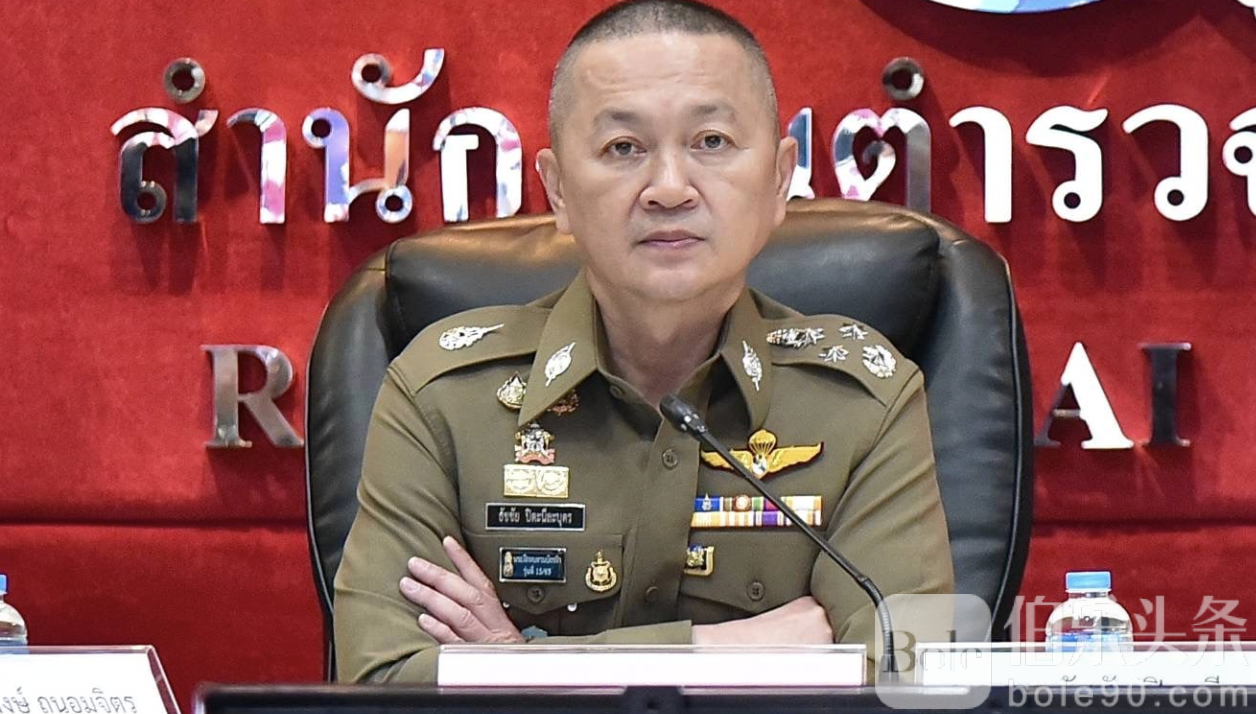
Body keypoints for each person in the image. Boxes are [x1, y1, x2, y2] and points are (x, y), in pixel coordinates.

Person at [333, 0, 954, 683]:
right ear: (558, 190)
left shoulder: (864, 403)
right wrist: (721, 652)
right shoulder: (443, 397)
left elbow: (907, 679)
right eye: (623, 148)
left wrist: (517, 667)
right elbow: (381, 681)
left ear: (780, 180)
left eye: (711, 141)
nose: (669, 189)